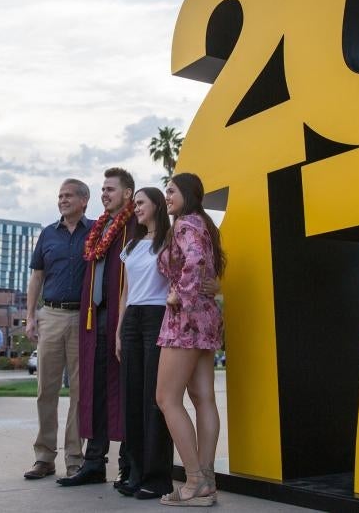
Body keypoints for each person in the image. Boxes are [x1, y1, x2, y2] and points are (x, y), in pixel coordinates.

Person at [59, 168, 137, 488]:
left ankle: (129, 465)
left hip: (125, 318)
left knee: (127, 389)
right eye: (103, 189)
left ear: (128, 194)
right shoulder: (100, 226)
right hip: (96, 318)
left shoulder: (136, 224)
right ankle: (93, 463)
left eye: (111, 189)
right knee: (96, 389)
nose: (105, 194)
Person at [155, 173, 225, 506]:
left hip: (185, 320)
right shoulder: (204, 224)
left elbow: (195, 262)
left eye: (171, 190)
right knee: (202, 398)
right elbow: (207, 267)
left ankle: (195, 481)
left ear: (187, 193)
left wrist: (178, 295)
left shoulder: (184, 225)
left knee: (166, 398)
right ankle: (206, 480)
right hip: (206, 318)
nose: (167, 195)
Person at [24, 178, 93, 480]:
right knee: (45, 390)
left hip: (83, 318)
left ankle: (75, 459)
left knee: (79, 392)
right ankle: (44, 457)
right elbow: (36, 277)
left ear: (83, 201)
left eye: (68, 196)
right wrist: (29, 316)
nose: (62, 200)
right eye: (60, 196)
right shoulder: (47, 235)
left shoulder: (95, 233)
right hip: (50, 314)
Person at [115, 187, 174, 499]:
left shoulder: (170, 240)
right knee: (132, 398)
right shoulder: (132, 244)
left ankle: (158, 478)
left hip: (158, 317)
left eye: (140, 203)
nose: (135, 208)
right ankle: (136, 473)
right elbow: (126, 292)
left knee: (154, 398)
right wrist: (118, 331)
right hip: (133, 320)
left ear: (157, 205)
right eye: (134, 203)